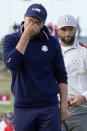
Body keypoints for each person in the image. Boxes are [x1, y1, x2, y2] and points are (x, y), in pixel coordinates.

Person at [3, 3, 69, 131]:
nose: (32, 25)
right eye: (30, 20)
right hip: (23, 107)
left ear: (43, 24)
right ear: (24, 18)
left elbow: (61, 75)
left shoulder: (52, 42)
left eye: (37, 22)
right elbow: (11, 64)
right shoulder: (11, 39)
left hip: (49, 107)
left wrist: (64, 105)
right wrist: (26, 36)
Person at [57, 14, 87, 131]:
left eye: (70, 29)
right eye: (64, 29)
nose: (67, 33)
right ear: (58, 30)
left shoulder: (84, 51)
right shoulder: (51, 51)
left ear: (76, 29)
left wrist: (84, 97)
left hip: (80, 109)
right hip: (55, 109)